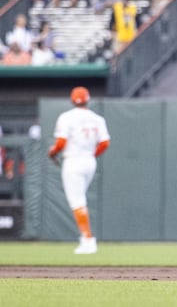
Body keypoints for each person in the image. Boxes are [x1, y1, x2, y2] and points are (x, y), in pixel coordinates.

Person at [48, 87, 110, 255]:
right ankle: (87, 239)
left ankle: (88, 240)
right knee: (79, 200)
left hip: (73, 160)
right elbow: (104, 143)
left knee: (77, 201)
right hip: (89, 160)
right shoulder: (97, 118)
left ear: (72, 100)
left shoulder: (66, 117)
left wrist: (52, 152)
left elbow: (61, 142)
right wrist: (92, 155)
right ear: (87, 99)